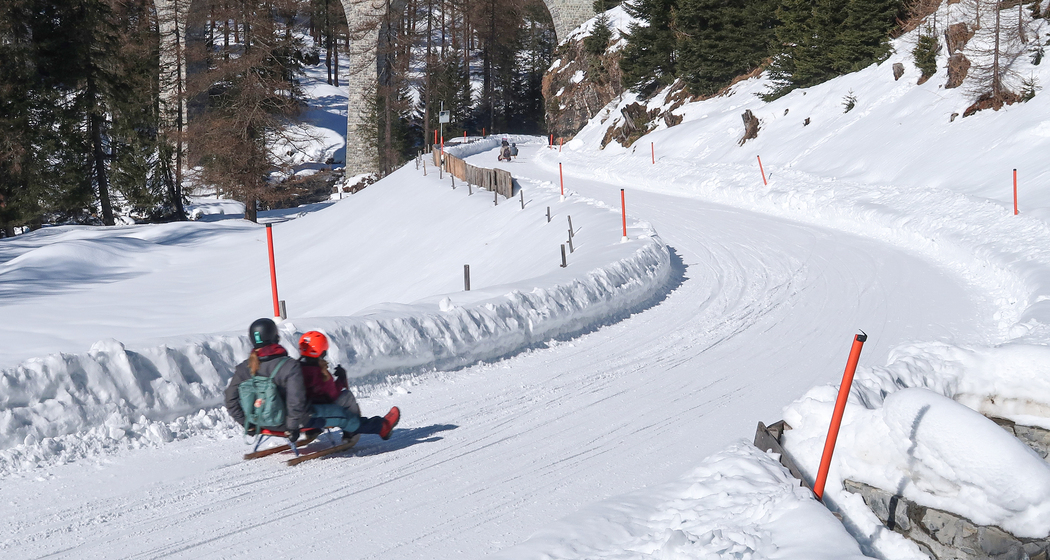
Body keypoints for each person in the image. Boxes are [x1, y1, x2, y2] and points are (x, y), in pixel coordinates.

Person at [297, 330, 400, 442]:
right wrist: (340, 379)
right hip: (317, 411)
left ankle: (313, 430)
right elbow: (332, 395)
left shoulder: (296, 367)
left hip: (302, 410)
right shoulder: (319, 372)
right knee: (347, 396)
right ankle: (352, 431)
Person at [224, 318, 311, 442]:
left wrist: (246, 424)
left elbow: (230, 398)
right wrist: (292, 427)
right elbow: (296, 399)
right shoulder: (290, 366)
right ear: (274, 337)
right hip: (285, 425)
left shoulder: (244, 368)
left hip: (256, 422)